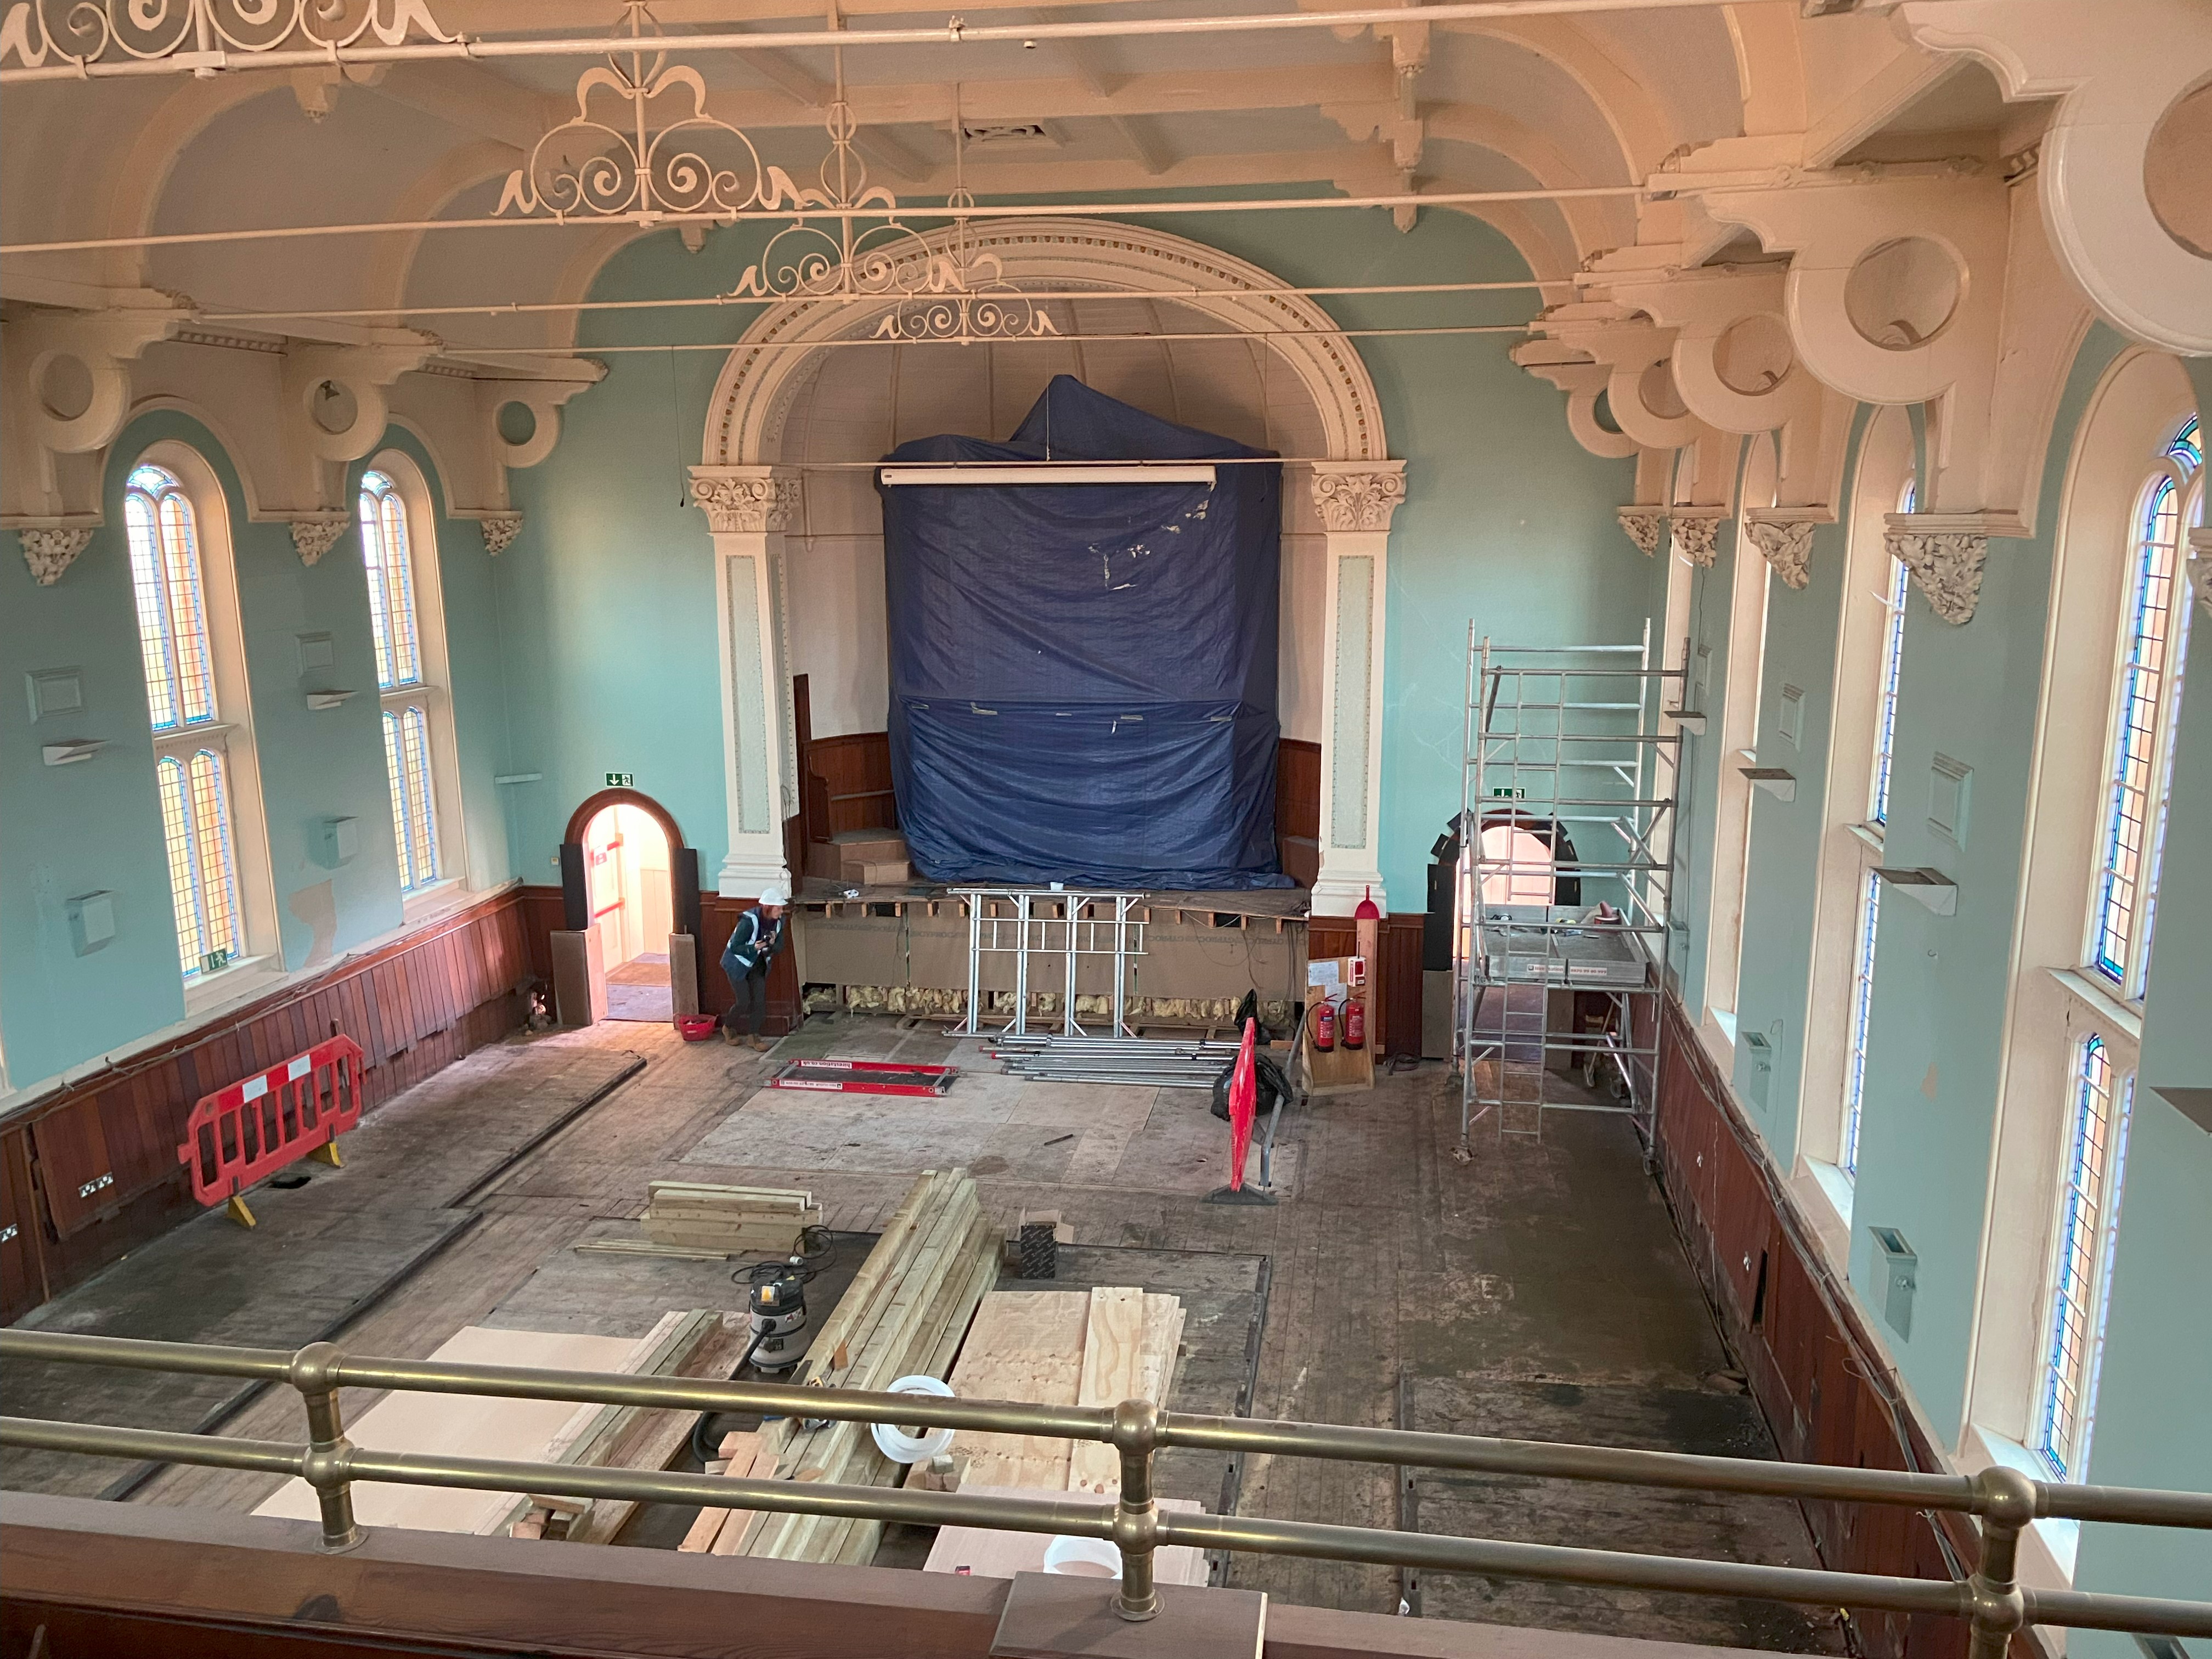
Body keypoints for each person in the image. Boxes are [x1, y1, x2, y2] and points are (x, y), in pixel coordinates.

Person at [719, 883, 788, 1050]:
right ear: (767, 907)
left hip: (758, 964)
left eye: (781, 909)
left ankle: (753, 1036)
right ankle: (728, 1028)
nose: (781, 912)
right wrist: (754, 948)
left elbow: (780, 947)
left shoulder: (779, 923)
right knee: (743, 1001)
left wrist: (771, 944)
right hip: (737, 964)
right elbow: (735, 946)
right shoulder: (749, 921)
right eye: (778, 909)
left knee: (759, 1001)